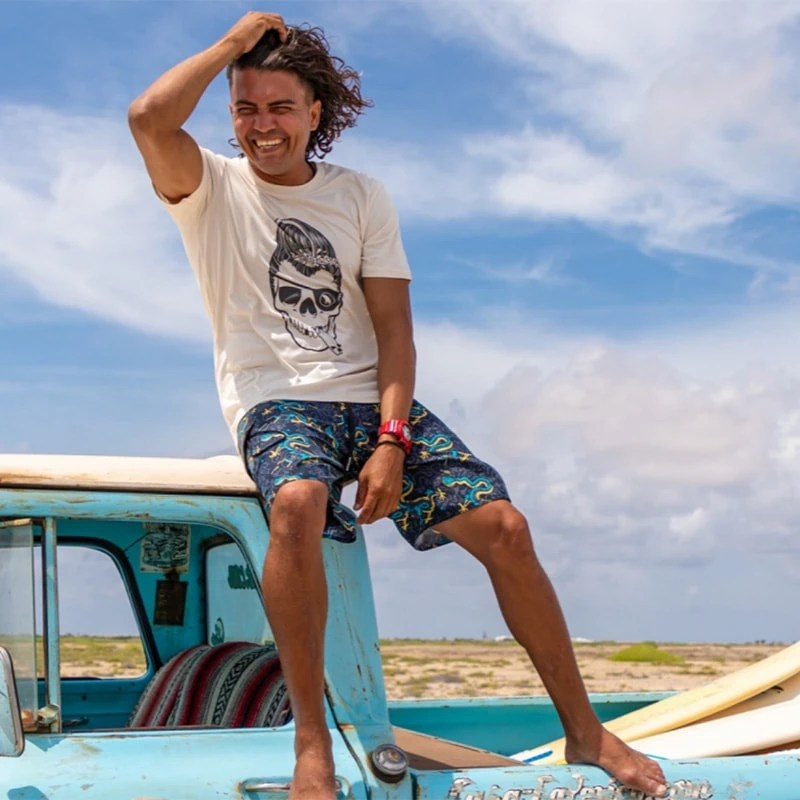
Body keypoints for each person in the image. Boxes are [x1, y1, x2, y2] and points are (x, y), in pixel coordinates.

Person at [128, 12, 668, 800]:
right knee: (299, 504)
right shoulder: (209, 187)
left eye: (280, 108)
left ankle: (585, 732)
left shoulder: (361, 196)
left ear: (316, 113)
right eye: (246, 108)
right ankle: (312, 747)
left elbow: (394, 330)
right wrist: (230, 47)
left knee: (507, 527)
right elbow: (147, 116)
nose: (262, 126)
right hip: (280, 404)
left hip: (373, 399)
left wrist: (389, 439)